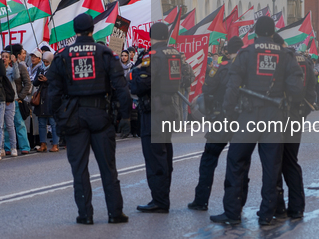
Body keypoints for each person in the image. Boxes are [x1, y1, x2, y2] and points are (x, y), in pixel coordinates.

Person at [210, 16, 303, 226]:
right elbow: (297, 91)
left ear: (255, 33)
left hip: (248, 116)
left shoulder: (245, 53)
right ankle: (266, 214)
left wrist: (228, 115)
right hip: (275, 117)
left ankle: (232, 213)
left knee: (236, 162)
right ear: (272, 33)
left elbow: (232, 89)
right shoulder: (286, 55)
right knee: (271, 166)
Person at [46, 14, 132, 225]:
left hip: (74, 118)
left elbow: (52, 93)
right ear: (92, 29)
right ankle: (115, 213)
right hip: (101, 115)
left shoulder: (62, 55)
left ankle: (85, 215)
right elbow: (121, 87)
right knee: (107, 167)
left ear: (75, 31)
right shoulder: (105, 53)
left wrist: (57, 118)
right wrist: (126, 116)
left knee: (79, 169)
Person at [130, 22, 187, 214]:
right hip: (170, 107)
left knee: (155, 157)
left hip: (154, 110)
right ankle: (163, 197)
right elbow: (186, 78)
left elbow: (140, 85)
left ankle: (160, 200)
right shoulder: (174, 54)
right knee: (164, 154)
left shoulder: (152, 56)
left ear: (151, 36)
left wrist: (134, 73)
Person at [188, 36, 244, 211]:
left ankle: (201, 200)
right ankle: (235, 205)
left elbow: (208, 88)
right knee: (237, 163)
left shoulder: (221, 67)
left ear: (228, 51)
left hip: (221, 118)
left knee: (209, 159)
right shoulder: (247, 66)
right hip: (242, 119)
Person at [275, 33, 316, 220]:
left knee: (274, 162)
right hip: (296, 116)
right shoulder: (304, 61)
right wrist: (301, 114)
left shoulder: (280, 59)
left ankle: (278, 207)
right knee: (291, 161)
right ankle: (297, 207)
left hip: (278, 116)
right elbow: (312, 93)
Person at [33, 52, 59, 153]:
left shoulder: (55, 70)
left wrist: (47, 80)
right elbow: (35, 82)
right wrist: (39, 79)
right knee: (41, 122)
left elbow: (58, 83)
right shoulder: (40, 69)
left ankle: (55, 144)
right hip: (42, 97)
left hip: (51, 97)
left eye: (47, 62)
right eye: (44, 62)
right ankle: (43, 144)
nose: (45, 63)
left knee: (53, 122)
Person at [9, 44, 32, 155]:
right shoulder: (3, 66)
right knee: (5, 125)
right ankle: (7, 147)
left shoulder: (21, 66)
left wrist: (20, 96)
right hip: (6, 99)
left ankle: (24, 146)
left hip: (16, 99)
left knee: (19, 124)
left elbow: (28, 83)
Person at [1, 50, 19, 157]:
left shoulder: (11, 70)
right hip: (0, 100)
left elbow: (16, 77)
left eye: (6, 57)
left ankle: (13, 147)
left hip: (10, 100)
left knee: (10, 125)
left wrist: (15, 62)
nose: (4, 58)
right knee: (0, 126)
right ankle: (2, 147)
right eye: (2, 56)